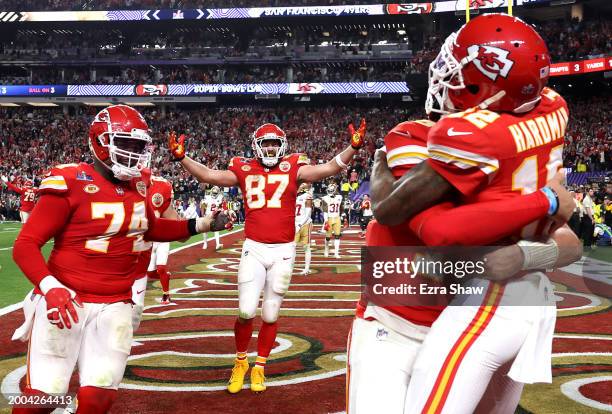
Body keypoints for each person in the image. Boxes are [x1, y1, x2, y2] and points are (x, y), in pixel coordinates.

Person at [367, 14, 582, 414]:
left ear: (483, 85)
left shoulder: (465, 135)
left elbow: (425, 225)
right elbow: (568, 242)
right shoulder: (550, 106)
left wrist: (529, 237)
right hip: (523, 298)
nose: (446, 78)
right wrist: (533, 239)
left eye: (457, 71)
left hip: (486, 300)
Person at [10, 105, 229, 414]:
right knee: (42, 399)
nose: (133, 152)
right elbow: (26, 245)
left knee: (97, 400)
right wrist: (50, 287)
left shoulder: (139, 184)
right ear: (100, 142)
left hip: (115, 303)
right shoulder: (70, 180)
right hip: (67, 300)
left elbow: (150, 228)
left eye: (138, 146)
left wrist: (201, 225)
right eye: (124, 143)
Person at [168, 119, 367, 393]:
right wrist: (182, 158)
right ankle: (240, 362)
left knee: (271, 314)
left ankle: (260, 365)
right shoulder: (244, 167)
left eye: (275, 143)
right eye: (266, 143)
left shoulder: (294, 167)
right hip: (255, 247)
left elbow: (329, 168)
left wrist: (353, 148)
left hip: (284, 250)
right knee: (246, 310)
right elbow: (208, 176)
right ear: (257, 146)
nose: (271, 148)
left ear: (283, 146)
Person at [295, 183, 313, 275]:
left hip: (305, 224)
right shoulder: (293, 195)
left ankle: (306, 268)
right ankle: (288, 266)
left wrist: (299, 224)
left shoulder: (307, 196)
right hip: (294, 224)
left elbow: (308, 213)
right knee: (291, 247)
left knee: (306, 247)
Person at [322, 183, 343, 258]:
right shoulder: (325, 198)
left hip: (337, 218)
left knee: (337, 236)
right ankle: (326, 249)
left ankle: (336, 253)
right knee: (328, 237)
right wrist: (326, 220)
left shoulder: (339, 197)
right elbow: (325, 211)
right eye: (329, 190)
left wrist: (343, 216)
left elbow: (341, 207)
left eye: (332, 190)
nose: (330, 191)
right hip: (329, 218)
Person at [201, 185, 225, 250]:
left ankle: (217, 244)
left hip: (215, 216)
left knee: (216, 230)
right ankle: (205, 243)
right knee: (205, 230)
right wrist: (202, 215)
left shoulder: (220, 198)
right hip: (207, 215)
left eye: (215, 193)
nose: (214, 194)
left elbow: (220, 206)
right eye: (213, 193)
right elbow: (203, 205)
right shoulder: (207, 197)